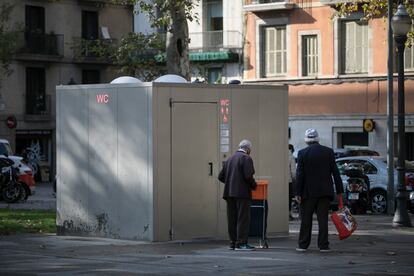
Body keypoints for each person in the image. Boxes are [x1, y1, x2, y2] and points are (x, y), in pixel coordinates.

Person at [295, 128, 343, 253]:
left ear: (306, 140)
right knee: (323, 220)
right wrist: (339, 190)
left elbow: (300, 175)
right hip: (324, 192)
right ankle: (323, 245)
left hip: (308, 193)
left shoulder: (302, 153)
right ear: (317, 138)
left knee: (306, 219)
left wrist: (297, 193)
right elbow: (335, 172)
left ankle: (303, 245)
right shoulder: (328, 152)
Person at [218, 139, 257, 251]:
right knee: (243, 219)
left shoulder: (230, 159)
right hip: (242, 193)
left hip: (229, 193)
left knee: (232, 219)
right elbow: (248, 176)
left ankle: (233, 243)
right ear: (248, 149)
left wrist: (231, 182)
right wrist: (254, 185)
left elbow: (221, 176)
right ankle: (241, 243)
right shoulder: (246, 158)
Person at [288, 144, 296, 220]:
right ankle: (289, 214)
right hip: (288, 181)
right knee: (289, 198)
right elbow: (293, 172)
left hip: (280, 181)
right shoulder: (291, 156)